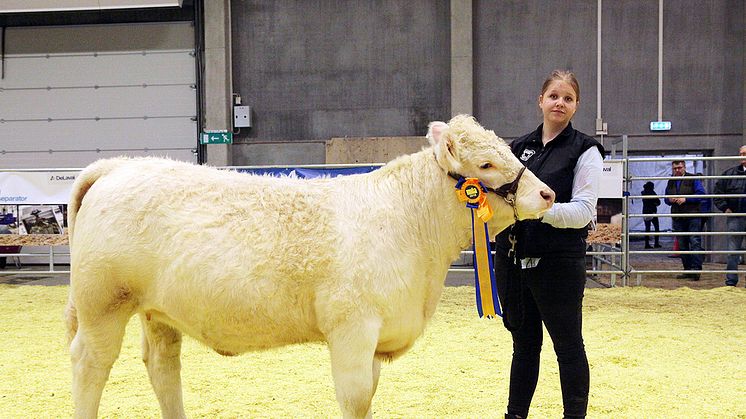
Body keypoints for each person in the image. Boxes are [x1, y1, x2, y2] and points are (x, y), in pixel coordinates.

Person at [493, 70, 603, 419]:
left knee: (568, 346)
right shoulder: (516, 149)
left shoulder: (585, 150)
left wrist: (539, 211)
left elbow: (584, 211)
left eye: (568, 98)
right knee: (523, 347)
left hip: (558, 262)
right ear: (541, 100)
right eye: (554, 96)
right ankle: (515, 414)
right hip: (513, 259)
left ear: (576, 106)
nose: (560, 103)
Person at [664, 160, 706, 280]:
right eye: (675, 168)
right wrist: (670, 199)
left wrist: (686, 199)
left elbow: (701, 195)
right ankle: (687, 270)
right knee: (682, 244)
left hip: (693, 215)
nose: (677, 170)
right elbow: (666, 199)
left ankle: (696, 270)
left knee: (694, 242)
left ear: (684, 167)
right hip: (678, 216)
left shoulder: (693, 178)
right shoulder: (671, 181)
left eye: (679, 168)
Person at [713, 145, 746, 286]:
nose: (742, 156)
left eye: (745, 153)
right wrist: (725, 207)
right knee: (733, 251)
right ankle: (731, 282)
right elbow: (718, 193)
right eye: (741, 153)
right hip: (736, 217)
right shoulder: (729, 174)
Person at [641, 181, 662, 248]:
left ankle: (646, 244)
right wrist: (654, 204)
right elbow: (658, 202)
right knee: (656, 227)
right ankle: (656, 243)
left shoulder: (643, 193)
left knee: (647, 228)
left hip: (645, 211)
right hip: (652, 212)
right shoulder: (652, 192)